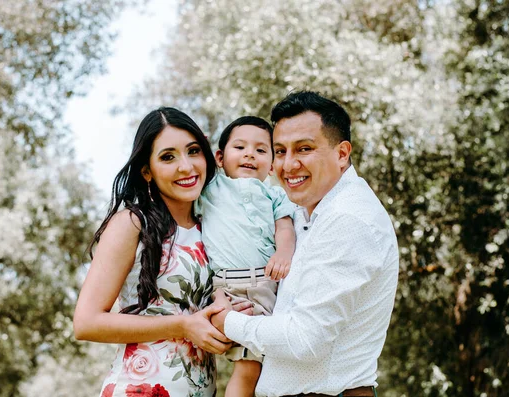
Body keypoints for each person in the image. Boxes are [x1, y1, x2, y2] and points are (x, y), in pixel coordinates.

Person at [211, 91, 399, 397]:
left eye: (304, 149)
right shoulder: (304, 210)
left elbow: (305, 339)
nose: (288, 165)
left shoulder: (349, 219)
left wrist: (227, 320)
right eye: (280, 151)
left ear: (342, 154)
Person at [74, 107, 241, 397]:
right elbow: (86, 322)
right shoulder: (132, 223)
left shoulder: (213, 226)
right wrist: (183, 326)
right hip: (139, 389)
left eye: (193, 151)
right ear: (146, 170)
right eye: (168, 157)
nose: (186, 167)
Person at [194, 116, 296, 396]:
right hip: (225, 289)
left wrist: (284, 252)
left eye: (261, 150)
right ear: (219, 157)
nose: (250, 153)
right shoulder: (211, 189)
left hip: (264, 286)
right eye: (240, 147)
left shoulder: (275, 195)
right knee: (247, 364)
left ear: (272, 165)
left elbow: (285, 227)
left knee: (256, 366)